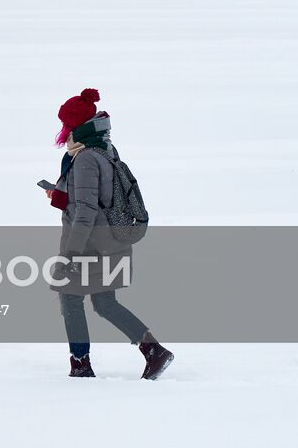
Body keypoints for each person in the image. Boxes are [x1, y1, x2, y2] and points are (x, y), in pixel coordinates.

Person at [48, 88, 173, 380]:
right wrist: (60, 198)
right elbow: (93, 200)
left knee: (70, 299)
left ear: (74, 126)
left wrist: (72, 253)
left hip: (90, 245)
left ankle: (81, 365)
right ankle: (154, 351)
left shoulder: (85, 158)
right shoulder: (103, 147)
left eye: (65, 126)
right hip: (107, 243)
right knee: (105, 303)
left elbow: (87, 210)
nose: (63, 132)